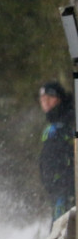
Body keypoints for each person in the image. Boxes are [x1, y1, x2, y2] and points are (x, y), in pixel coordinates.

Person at [39, 80, 76, 221]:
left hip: (67, 190)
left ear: (59, 98)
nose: (46, 102)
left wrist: (66, 183)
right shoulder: (54, 125)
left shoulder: (68, 122)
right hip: (57, 190)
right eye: (43, 99)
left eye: (49, 98)